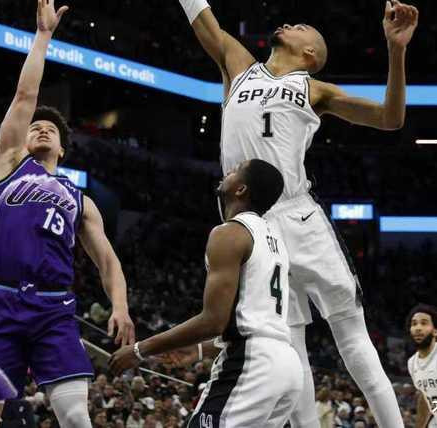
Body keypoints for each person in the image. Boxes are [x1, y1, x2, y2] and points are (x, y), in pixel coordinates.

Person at [155, 0, 419, 428]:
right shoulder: (238, 66)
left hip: (298, 214)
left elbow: (391, 119)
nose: (293, 24)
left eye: (304, 30)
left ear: (310, 55)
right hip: (251, 223)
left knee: (349, 330)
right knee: (287, 340)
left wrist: (396, 53)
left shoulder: (313, 87)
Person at [0, 0, 135, 428]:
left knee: (77, 417)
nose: (41, 130)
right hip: (0, 301)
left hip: (54, 309)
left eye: (50, 130)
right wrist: (43, 37)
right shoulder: (9, 165)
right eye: (34, 128)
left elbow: (108, 261)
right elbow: (25, 97)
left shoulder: (81, 200)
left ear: (62, 148)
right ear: (21, 141)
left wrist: (120, 306)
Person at [111, 159, 303, 428]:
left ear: (241, 189)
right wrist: (200, 350)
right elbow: (255, 323)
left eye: (236, 170)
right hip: (287, 365)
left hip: (253, 363)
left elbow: (213, 321)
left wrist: (140, 350)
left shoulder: (230, 233)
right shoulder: (276, 241)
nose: (228, 172)